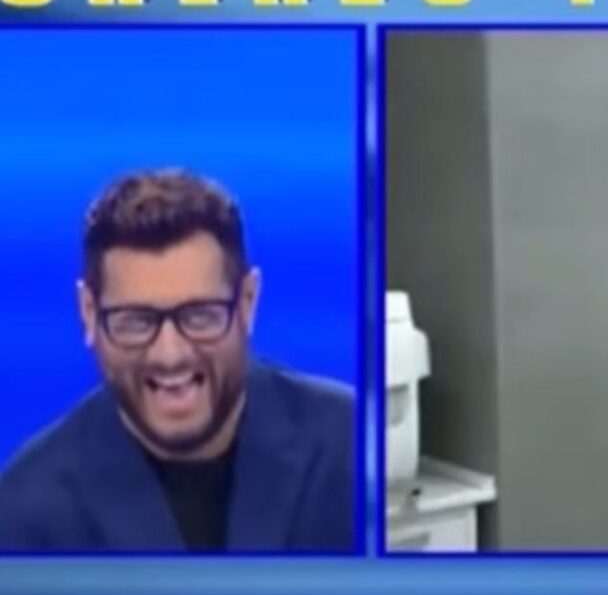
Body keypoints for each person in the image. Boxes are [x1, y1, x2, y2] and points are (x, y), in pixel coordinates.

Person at [0, 169, 357, 553]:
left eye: (199, 316)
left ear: (248, 303)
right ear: (89, 314)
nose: (169, 355)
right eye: (136, 321)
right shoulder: (26, 512)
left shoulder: (352, 444)